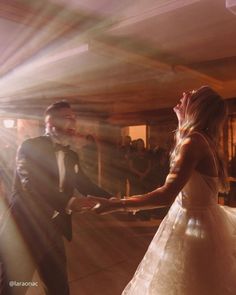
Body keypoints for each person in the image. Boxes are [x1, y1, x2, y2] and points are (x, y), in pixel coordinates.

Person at [87, 86, 236, 294]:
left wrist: (118, 204)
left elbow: (167, 194)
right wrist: (182, 122)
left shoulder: (193, 141)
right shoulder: (201, 139)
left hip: (192, 227)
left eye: (191, 95)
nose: (184, 94)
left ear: (197, 107)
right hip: (202, 221)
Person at [0, 101, 110, 295]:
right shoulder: (29, 146)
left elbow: (85, 184)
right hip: (25, 229)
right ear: (50, 122)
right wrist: (69, 202)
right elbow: (31, 184)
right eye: (68, 118)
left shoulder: (71, 155)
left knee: (59, 288)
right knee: (14, 286)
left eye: (75, 118)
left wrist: (120, 202)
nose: (74, 122)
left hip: (54, 228)